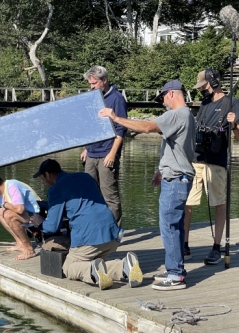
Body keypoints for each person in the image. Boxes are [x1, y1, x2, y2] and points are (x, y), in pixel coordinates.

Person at [99, 80, 196, 291]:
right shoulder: (188, 115)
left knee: (169, 227)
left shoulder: (177, 114)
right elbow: (180, 150)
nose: (162, 104)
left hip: (176, 180)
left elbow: (146, 128)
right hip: (178, 176)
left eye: (162, 98)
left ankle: (176, 275)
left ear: (171, 94)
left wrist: (116, 117)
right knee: (175, 227)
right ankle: (175, 269)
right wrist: (161, 170)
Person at [30, 159, 143, 290]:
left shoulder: (56, 189)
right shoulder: (85, 177)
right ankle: (124, 267)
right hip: (112, 235)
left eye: (41, 178)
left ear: (48, 174)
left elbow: (52, 227)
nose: (42, 182)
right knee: (93, 263)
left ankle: (91, 270)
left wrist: (39, 222)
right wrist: (44, 205)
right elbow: (79, 203)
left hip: (89, 239)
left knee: (69, 267)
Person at [184, 69, 239, 265]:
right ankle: (184, 245)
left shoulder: (232, 102)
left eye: (204, 86)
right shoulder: (205, 103)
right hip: (197, 159)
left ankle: (216, 247)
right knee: (187, 203)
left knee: (219, 203)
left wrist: (233, 125)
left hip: (217, 162)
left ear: (213, 83)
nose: (203, 90)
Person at [80, 65, 128, 225]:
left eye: (94, 83)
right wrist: (86, 148)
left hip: (107, 153)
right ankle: (96, 230)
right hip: (92, 154)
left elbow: (121, 129)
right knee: (89, 193)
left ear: (104, 80)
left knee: (109, 195)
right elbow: (92, 126)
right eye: (90, 84)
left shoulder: (117, 98)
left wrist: (113, 154)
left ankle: (115, 231)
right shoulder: (93, 97)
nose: (91, 87)